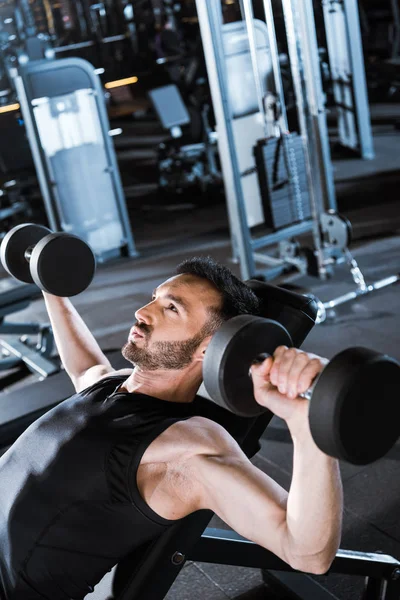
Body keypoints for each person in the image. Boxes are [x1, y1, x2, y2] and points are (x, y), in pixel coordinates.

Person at [0, 257, 343, 599]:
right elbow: (87, 367)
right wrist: (52, 288)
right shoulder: (116, 385)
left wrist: (307, 424)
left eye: (171, 309)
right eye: (154, 298)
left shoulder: (187, 448)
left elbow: (308, 553)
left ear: (208, 348)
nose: (144, 312)